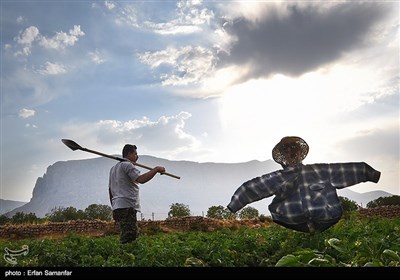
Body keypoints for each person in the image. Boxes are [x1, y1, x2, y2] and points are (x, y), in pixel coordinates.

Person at [227, 136, 381, 233]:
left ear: (300, 153)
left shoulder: (321, 171)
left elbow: (346, 170)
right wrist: (234, 205)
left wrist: (370, 173)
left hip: (326, 217)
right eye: (286, 150)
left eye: (293, 149)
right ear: (283, 157)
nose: (291, 153)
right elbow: (252, 188)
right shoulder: (277, 178)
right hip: (292, 220)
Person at [109, 144, 165, 244]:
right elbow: (141, 179)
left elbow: (110, 190)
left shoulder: (113, 169)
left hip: (118, 205)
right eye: (135, 154)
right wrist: (156, 169)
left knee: (126, 233)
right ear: (129, 153)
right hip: (127, 205)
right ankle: (126, 256)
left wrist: (113, 207)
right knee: (130, 236)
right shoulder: (127, 165)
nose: (137, 157)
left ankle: (125, 254)